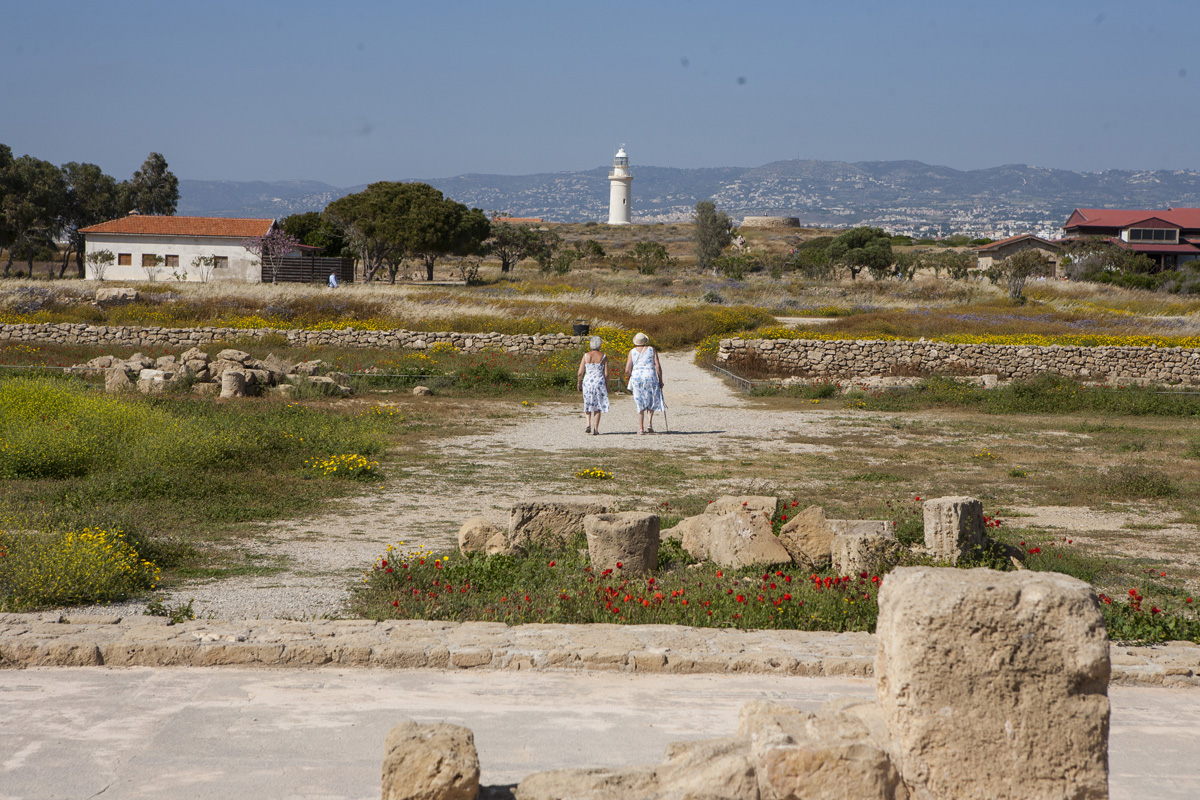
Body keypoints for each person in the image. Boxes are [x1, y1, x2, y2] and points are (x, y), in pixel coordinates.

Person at [624, 332, 665, 434]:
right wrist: (661, 380)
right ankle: (649, 423)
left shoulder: (632, 352)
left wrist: (631, 376)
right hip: (650, 375)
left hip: (637, 376)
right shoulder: (651, 349)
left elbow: (627, 370)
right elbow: (658, 366)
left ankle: (641, 428)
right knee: (651, 399)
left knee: (639, 401)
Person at [577, 336, 609, 435]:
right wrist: (607, 386)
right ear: (600, 345)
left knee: (588, 402)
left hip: (588, 382)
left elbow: (580, 372)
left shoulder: (586, 355)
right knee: (598, 405)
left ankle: (588, 424)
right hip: (599, 382)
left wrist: (579, 382)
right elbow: (607, 373)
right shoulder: (603, 356)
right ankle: (596, 429)